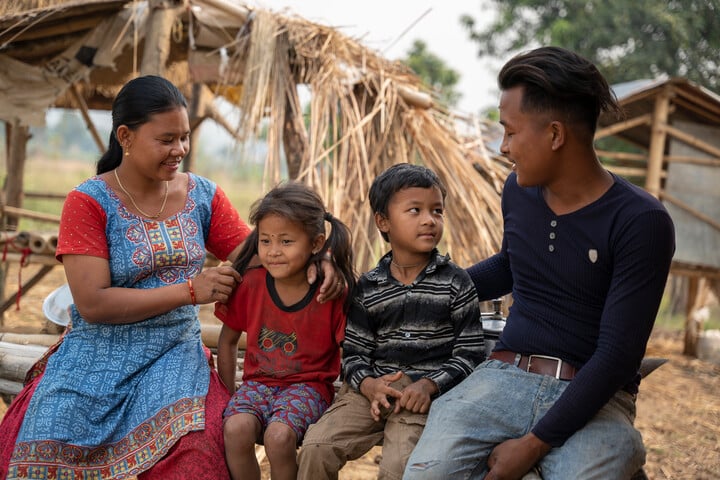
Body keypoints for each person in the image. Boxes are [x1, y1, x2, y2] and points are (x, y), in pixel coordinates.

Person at [0, 75, 342, 479]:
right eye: (166, 140)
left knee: (196, 453)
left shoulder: (203, 196)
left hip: (174, 351)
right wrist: (189, 290)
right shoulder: (87, 202)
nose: (179, 150)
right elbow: (92, 303)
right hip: (94, 353)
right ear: (125, 136)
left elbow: (263, 256)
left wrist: (321, 259)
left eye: (184, 138)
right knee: (47, 443)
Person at [404, 47, 676, 480]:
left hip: (595, 396)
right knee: (424, 474)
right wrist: (427, 292)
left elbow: (616, 355)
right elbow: (514, 266)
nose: (504, 147)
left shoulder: (641, 221)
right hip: (503, 377)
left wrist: (531, 446)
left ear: (554, 135)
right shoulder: (518, 190)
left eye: (509, 133)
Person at [297, 163, 486, 480]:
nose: (429, 220)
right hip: (371, 391)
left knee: (399, 468)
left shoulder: (456, 282)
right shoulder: (369, 287)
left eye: (437, 211)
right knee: (317, 446)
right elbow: (354, 354)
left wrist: (429, 385)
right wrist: (370, 385)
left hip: (422, 399)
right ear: (382, 221)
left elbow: (470, 354)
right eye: (415, 210)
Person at [214, 181, 356, 480]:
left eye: (286, 242)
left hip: (309, 388)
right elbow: (227, 340)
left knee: (278, 437)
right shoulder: (252, 284)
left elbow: (351, 351)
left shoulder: (330, 292)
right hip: (257, 385)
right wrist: (228, 395)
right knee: (235, 428)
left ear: (316, 244)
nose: (273, 252)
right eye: (265, 241)